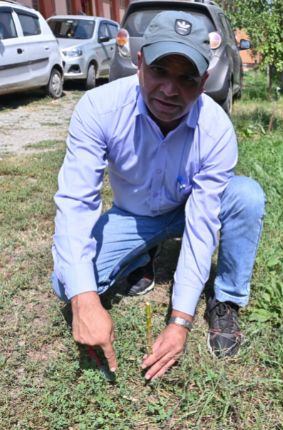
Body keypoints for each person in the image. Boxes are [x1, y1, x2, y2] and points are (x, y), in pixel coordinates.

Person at [51, 10, 265, 381]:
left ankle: (226, 298)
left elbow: (201, 228)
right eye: (160, 71)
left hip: (189, 206)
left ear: (204, 81)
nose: (169, 89)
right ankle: (142, 258)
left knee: (246, 196)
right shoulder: (99, 109)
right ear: (139, 65)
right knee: (66, 282)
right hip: (134, 216)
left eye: (186, 78)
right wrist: (85, 299)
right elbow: (76, 203)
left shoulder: (215, 129)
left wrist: (179, 321)